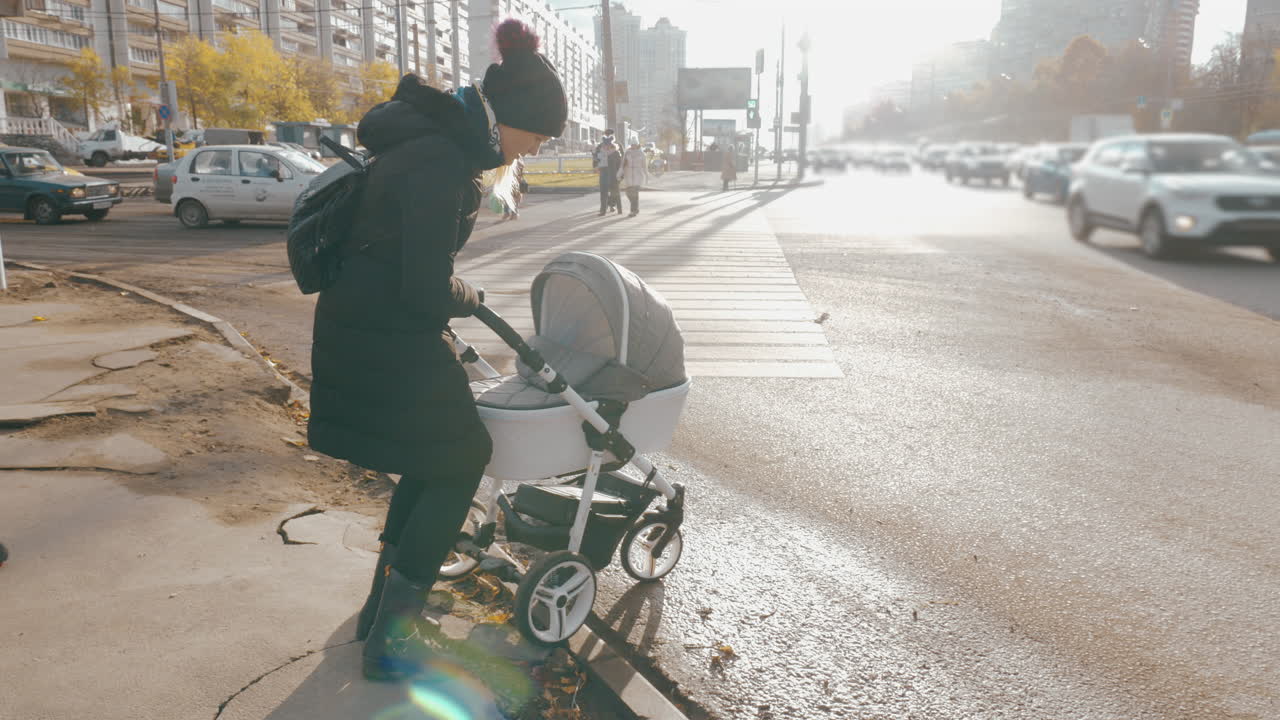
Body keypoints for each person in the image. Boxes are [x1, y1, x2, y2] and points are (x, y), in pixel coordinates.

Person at [307, 17, 566, 683]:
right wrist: (467, 295)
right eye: (534, 138)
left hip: (372, 327)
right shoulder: (439, 161)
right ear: (506, 118)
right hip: (384, 333)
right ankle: (394, 636)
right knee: (461, 455)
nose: (531, 152)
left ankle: (381, 615)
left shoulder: (434, 145)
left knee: (434, 457)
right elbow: (423, 286)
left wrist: (447, 297)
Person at [618, 141, 648, 217]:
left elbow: (644, 165)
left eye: (634, 144)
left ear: (637, 145)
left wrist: (646, 175)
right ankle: (636, 208)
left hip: (638, 174)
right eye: (631, 144)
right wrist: (619, 173)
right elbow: (623, 164)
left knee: (634, 193)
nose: (633, 145)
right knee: (628, 193)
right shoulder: (627, 152)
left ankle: (633, 210)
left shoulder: (641, 153)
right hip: (628, 174)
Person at [597, 140, 622, 215]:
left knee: (616, 193)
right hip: (603, 176)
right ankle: (603, 210)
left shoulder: (616, 153)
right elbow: (596, 163)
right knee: (603, 194)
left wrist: (620, 175)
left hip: (613, 176)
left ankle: (619, 209)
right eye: (604, 145)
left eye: (608, 145)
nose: (606, 147)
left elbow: (620, 166)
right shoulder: (600, 153)